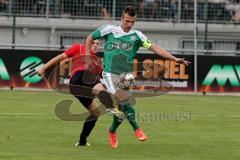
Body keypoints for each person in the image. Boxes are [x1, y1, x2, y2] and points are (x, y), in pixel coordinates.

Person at [85, 6, 190, 148]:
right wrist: (87, 57)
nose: (129, 25)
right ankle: (137, 129)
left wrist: (173, 59)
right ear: (121, 18)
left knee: (124, 107)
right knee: (123, 100)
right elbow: (90, 37)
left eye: (132, 22)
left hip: (127, 75)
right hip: (110, 73)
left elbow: (155, 47)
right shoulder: (109, 29)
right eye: (127, 21)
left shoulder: (137, 36)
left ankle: (112, 130)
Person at [37, 40, 122, 146]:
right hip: (78, 77)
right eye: (93, 43)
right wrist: (43, 68)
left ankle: (82, 141)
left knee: (95, 113)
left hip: (77, 88)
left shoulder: (98, 62)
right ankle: (110, 107)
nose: (95, 45)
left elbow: (107, 75)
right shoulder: (79, 48)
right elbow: (60, 58)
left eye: (97, 44)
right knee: (99, 87)